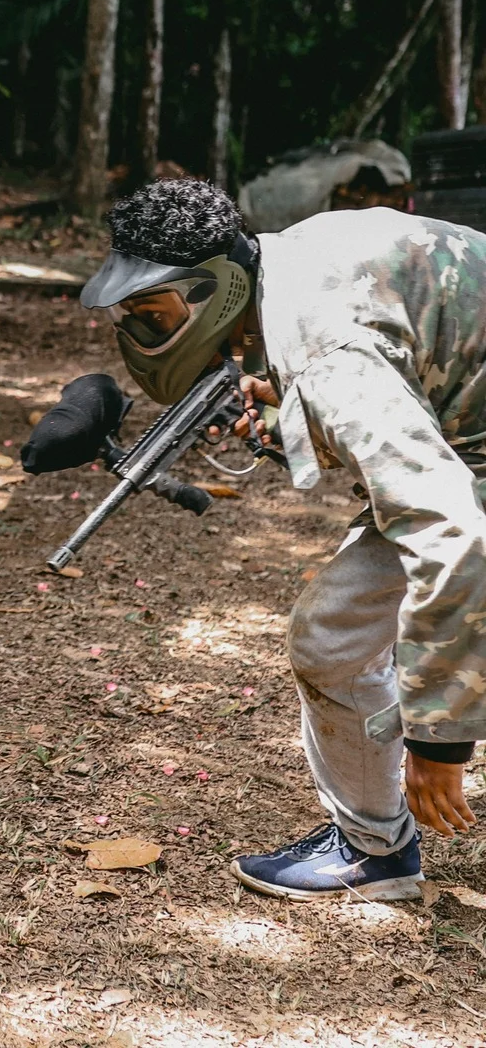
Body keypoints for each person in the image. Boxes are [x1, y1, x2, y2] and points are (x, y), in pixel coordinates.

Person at [81, 176, 486, 901]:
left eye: (151, 314)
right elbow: (411, 371)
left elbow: (449, 528)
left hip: (468, 476)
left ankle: (374, 850)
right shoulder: (286, 260)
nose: (139, 335)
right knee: (333, 637)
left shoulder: (328, 355)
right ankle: (376, 847)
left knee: (336, 637)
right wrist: (286, 411)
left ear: (214, 289)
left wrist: (439, 740)